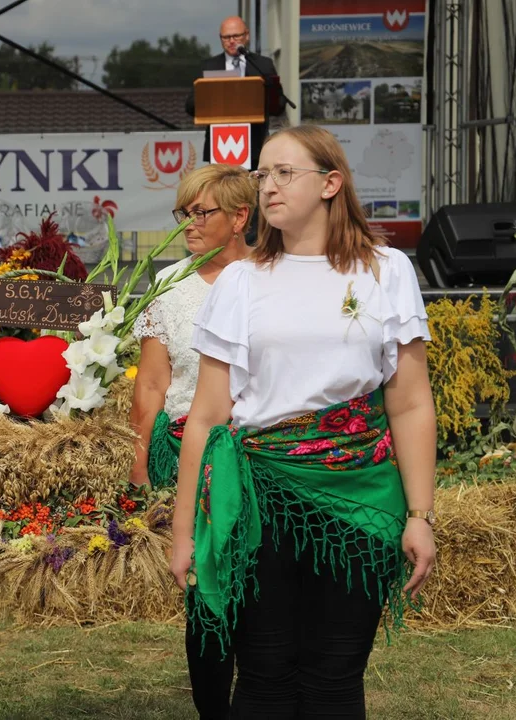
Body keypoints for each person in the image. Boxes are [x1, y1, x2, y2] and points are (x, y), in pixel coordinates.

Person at [171, 125, 437, 717]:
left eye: (284, 173)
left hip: (361, 503)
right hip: (259, 505)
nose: (268, 186)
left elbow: (411, 402)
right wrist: (185, 531)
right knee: (264, 679)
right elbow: (208, 416)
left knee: (335, 681)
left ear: (331, 183)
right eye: (262, 175)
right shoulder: (241, 280)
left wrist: (420, 516)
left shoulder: (387, 270)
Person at [130, 164, 255, 490]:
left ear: (238, 217)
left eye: (200, 213)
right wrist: (138, 466)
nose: (187, 225)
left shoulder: (275, 277)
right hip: (185, 463)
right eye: (183, 214)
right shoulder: (168, 285)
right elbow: (151, 384)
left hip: (264, 459)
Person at [184, 16, 282, 172]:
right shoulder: (209, 66)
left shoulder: (262, 65)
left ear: (247, 35)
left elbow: (279, 105)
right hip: (220, 147)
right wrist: (212, 96)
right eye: (226, 37)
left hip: (255, 147)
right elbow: (190, 106)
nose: (231, 41)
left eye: (236, 36)